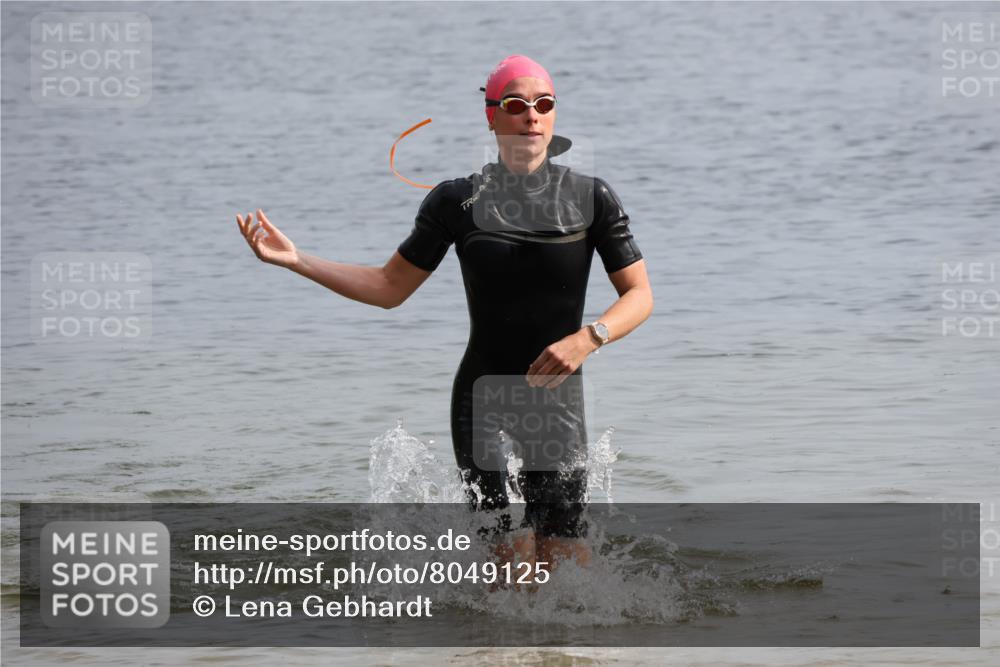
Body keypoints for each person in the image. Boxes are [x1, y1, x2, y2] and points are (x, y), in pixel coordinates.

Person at [236, 55, 653, 575]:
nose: (531, 115)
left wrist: (589, 338)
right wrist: (299, 260)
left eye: (543, 105)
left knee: (567, 563)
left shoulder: (591, 197)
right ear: (491, 116)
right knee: (504, 565)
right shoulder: (455, 201)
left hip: (556, 400)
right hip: (482, 400)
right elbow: (389, 288)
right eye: (516, 105)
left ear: (553, 116)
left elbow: (638, 295)